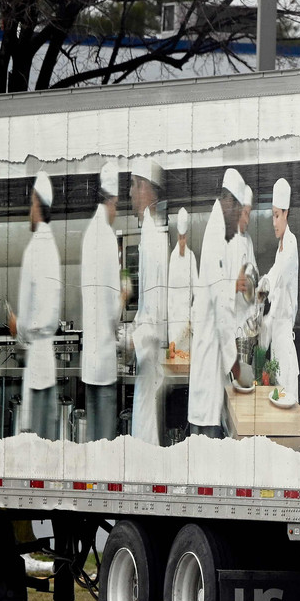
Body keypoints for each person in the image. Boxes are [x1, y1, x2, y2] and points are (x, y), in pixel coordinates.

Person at [188, 168, 246, 437]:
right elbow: (222, 307)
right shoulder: (215, 239)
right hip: (209, 367)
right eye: (238, 211)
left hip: (209, 362)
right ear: (230, 201)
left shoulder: (217, 232)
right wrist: (234, 363)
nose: (237, 220)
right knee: (208, 448)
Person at [9, 174, 62, 440]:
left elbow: (29, 320)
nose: (29, 212)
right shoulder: (51, 246)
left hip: (39, 369)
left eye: (31, 204)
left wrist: (17, 325)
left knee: (37, 451)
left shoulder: (35, 249)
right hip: (46, 366)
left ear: (37, 204)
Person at [81, 161, 124, 441]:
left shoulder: (88, 236)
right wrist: (124, 296)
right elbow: (112, 313)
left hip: (89, 364)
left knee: (90, 447)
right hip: (106, 363)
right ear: (113, 200)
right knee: (105, 449)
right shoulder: (108, 238)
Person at [129, 159, 168, 444]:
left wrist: (129, 341)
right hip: (145, 360)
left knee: (145, 439)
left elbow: (153, 314)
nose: (130, 192)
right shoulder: (147, 235)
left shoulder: (153, 240)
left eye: (133, 184)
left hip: (148, 359)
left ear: (147, 190)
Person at [257, 178, 299, 399]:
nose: (273, 222)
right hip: (276, 343)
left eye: (276, 215)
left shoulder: (290, 244)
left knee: (288, 407)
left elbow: (277, 272)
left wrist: (263, 286)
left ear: (286, 214)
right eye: (272, 215)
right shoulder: (279, 248)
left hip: (284, 342)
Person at [167, 207, 199, 353]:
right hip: (174, 324)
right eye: (180, 237)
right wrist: (171, 337)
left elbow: (197, 291)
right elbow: (170, 297)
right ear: (177, 236)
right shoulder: (173, 259)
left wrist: (192, 316)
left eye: (184, 237)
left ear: (187, 237)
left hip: (187, 322)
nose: (181, 241)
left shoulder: (191, 257)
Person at [230, 183, 258, 335]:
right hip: (230, 324)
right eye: (245, 213)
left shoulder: (248, 240)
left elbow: (254, 274)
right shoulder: (225, 240)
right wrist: (234, 286)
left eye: (249, 213)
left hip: (245, 323)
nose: (247, 220)